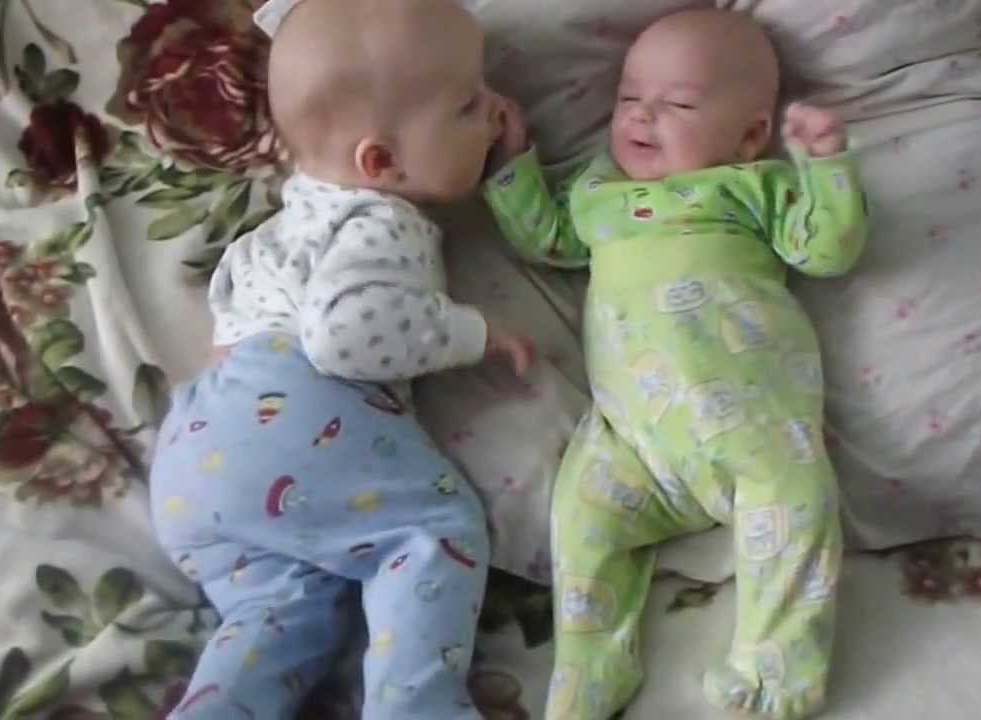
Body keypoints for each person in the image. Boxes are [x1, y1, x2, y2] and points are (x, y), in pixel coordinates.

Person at [147, 1, 532, 717]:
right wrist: (473, 331)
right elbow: (343, 334)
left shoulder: (272, 234)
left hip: (194, 462)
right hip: (291, 408)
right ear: (380, 162)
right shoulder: (381, 220)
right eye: (468, 105)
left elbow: (227, 343)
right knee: (432, 530)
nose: (495, 109)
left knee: (289, 611)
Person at [484, 9, 868, 719]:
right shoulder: (599, 193)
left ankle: (776, 674)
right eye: (630, 97)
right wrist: (513, 165)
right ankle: (592, 665)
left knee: (800, 500)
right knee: (580, 514)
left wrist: (825, 167)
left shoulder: (753, 187)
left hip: (752, 430)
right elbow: (548, 240)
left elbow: (826, 249)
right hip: (633, 443)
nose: (642, 114)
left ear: (749, 135)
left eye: (680, 104)